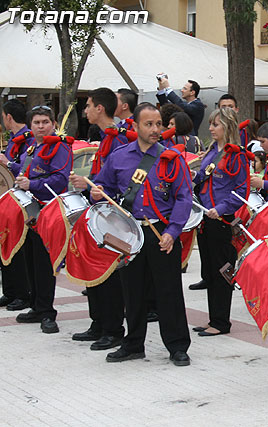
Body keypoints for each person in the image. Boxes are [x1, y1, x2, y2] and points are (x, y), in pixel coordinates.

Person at [92, 103, 192, 366]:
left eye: (159, 124)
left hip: (162, 232)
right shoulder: (120, 155)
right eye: (149, 124)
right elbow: (105, 184)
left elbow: (184, 197)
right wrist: (96, 190)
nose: (156, 129)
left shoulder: (172, 157)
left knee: (168, 292)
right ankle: (134, 343)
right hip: (130, 234)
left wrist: (173, 231)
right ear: (134, 126)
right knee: (132, 291)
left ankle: (178, 345)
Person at [69, 87, 130, 351]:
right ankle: (98, 323)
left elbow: (123, 178)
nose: (85, 111)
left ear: (99, 109)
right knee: (93, 268)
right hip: (98, 209)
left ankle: (113, 329)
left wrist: (90, 183)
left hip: (112, 214)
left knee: (109, 274)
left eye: (88, 105)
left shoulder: (118, 139)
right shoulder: (106, 138)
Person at [191, 108, 251, 337]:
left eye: (215, 124)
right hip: (205, 218)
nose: (211, 128)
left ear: (227, 126)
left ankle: (222, 322)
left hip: (221, 220)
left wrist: (222, 209)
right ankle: (213, 318)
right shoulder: (211, 151)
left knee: (222, 270)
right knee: (209, 271)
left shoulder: (236, 155)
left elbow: (241, 190)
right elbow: (203, 178)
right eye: (211, 124)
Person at [14, 106, 73, 334]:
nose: (41, 126)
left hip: (48, 212)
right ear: (30, 126)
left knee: (44, 263)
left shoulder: (60, 147)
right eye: (37, 122)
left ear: (54, 124)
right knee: (30, 259)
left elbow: (59, 180)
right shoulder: (31, 148)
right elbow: (26, 170)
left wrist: (32, 184)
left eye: (45, 122)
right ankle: (37, 306)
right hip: (28, 211)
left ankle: (48, 312)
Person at [0, 99, 33, 311]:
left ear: (9, 117)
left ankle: (22, 293)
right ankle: (10, 292)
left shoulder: (28, 141)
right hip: (7, 201)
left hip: (22, 202)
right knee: (5, 243)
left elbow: (27, 167)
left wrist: (7, 163)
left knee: (19, 248)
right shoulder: (14, 140)